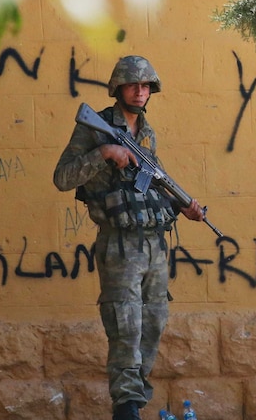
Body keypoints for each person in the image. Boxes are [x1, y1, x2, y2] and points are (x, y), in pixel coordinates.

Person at [53, 55, 205, 420]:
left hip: (153, 244)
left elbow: (154, 182)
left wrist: (183, 206)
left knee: (153, 322)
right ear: (118, 87)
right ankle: (126, 407)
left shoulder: (148, 134)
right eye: (133, 85)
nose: (140, 91)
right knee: (125, 325)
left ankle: (136, 399)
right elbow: (63, 177)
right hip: (119, 244)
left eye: (146, 86)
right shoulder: (98, 127)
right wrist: (105, 152)